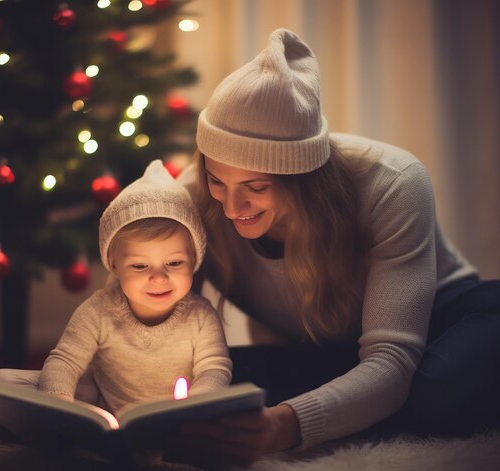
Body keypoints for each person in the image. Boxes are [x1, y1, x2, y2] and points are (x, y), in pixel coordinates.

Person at [166, 29, 500, 467]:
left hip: (449, 318)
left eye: (256, 187)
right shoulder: (193, 197)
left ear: (303, 179)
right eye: (217, 180)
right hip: (332, 349)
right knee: (216, 382)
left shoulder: (393, 181)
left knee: (437, 390)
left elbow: (390, 359)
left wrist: (285, 426)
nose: (231, 207)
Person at [0, 160, 231, 419]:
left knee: (221, 408)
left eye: (174, 263)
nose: (159, 277)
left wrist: (198, 402)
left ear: (194, 260)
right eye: (140, 266)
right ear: (114, 265)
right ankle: (55, 426)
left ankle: (33, 429)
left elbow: (215, 370)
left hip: (176, 421)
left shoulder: (200, 316)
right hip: (103, 410)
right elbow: (64, 361)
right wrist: (59, 401)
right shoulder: (99, 310)